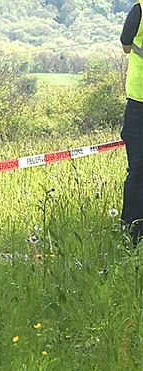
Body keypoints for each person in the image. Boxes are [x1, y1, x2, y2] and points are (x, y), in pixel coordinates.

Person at [121, 1, 143, 246]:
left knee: (138, 171)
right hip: (139, 102)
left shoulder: (139, 10)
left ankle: (133, 233)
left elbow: (126, 45)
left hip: (139, 103)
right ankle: (134, 234)